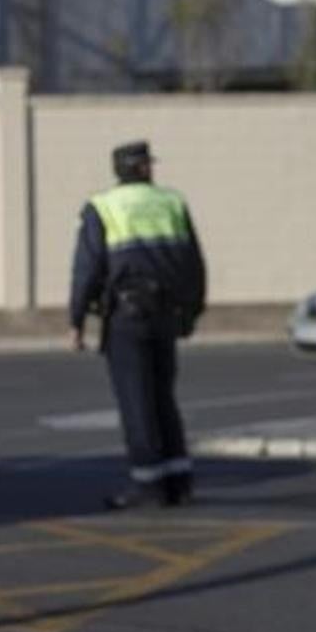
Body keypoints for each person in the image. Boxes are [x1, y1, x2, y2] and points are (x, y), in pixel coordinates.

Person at [69, 141, 206, 510]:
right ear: (145, 168)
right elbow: (194, 263)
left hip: (126, 317)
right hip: (165, 315)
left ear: (118, 170)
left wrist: (77, 321)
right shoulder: (172, 203)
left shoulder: (103, 207)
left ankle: (148, 484)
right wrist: (191, 313)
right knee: (163, 398)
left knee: (137, 401)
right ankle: (179, 480)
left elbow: (87, 269)